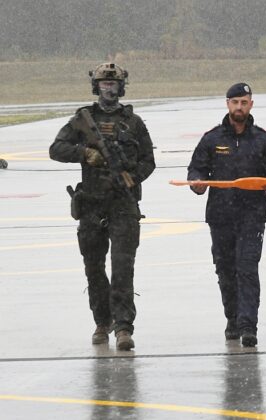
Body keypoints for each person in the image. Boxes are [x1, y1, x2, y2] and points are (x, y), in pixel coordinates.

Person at [49, 63, 155, 350]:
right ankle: (102, 321)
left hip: (123, 206)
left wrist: (131, 178)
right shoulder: (82, 120)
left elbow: (149, 161)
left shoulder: (134, 123)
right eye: (104, 84)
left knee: (123, 268)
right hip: (92, 206)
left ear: (122, 88)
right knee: (94, 269)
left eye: (114, 84)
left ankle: (123, 327)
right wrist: (84, 153)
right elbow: (56, 149)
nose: (109, 89)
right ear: (96, 87)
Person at [187, 82, 266, 347]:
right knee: (226, 270)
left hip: (252, 217)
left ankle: (248, 326)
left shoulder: (263, 139)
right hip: (220, 217)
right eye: (235, 102)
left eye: (244, 102)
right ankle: (232, 318)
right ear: (227, 104)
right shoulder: (212, 139)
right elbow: (196, 170)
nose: (239, 107)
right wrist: (196, 183)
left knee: (247, 268)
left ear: (251, 104)